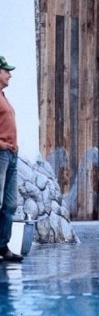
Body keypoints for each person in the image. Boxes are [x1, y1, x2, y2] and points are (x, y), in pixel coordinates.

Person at [0, 56, 22, 262]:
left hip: (11, 154)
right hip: (1, 153)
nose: (10, 75)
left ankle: (2, 244)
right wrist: (2, 145)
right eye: (6, 71)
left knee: (10, 203)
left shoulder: (3, 96)